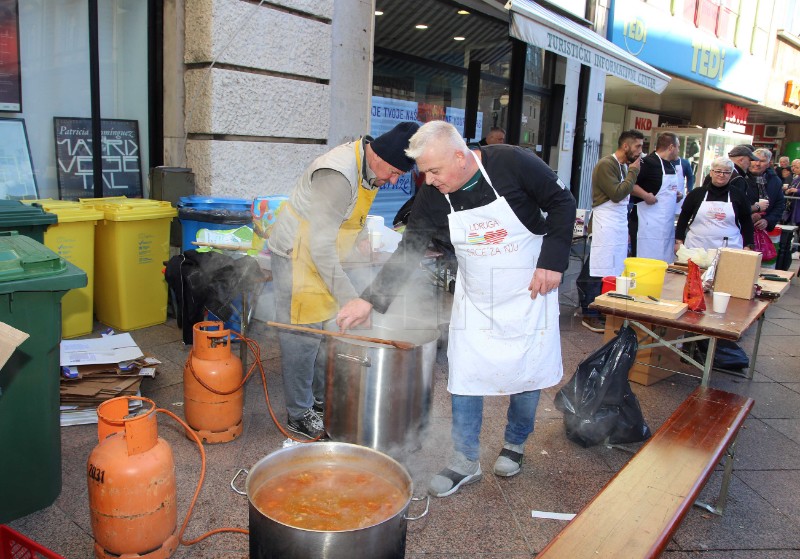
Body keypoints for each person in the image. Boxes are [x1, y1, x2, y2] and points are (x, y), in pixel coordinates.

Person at [336, 120, 576, 497]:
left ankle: (515, 444)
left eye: (434, 171)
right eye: (423, 172)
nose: (429, 180)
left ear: (460, 157)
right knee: (465, 375)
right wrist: (369, 299)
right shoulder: (433, 194)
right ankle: (465, 459)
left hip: (528, 288)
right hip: (477, 295)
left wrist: (553, 261)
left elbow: (563, 203)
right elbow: (410, 247)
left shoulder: (512, 164)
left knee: (526, 371)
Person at [267, 121, 420, 439]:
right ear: (378, 155)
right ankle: (299, 412)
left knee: (329, 332)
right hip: (300, 255)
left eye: (397, 177)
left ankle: (322, 401)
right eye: (392, 173)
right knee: (303, 336)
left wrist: (362, 237)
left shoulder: (371, 168)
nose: (391, 182)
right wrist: (352, 296)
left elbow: (350, 214)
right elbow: (319, 245)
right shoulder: (337, 174)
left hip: (326, 256)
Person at [577, 130, 644, 333]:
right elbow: (616, 194)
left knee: (608, 266)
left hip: (616, 222)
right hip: (605, 221)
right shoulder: (607, 164)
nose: (641, 151)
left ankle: (600, 308)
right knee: (598, 267)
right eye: (638, 146)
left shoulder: (623, 166)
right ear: (626, 146)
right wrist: (634, 172)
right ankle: (590, 313)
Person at [674, 156, 754, 253]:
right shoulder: (696, 193)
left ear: (731, 174)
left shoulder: (738, 195)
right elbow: (683, 218)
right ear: (711, 173)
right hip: (696, 247)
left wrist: (748, 245)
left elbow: (746, 222)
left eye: (726, 172)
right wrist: (679, 241)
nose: (722, 175)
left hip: (729, 248)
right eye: (718, 171)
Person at [628, 132, 683, 262]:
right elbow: (629, 184)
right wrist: (645, 195)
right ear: (671, 147)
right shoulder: (647, 163)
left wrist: (675, 195)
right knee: (645, 263)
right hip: (646, 226)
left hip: (665, 228)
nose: (678, 151)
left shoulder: (670, 165)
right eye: (678, 147)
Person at [745, 148, 785, 232]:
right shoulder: (739, 178)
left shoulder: (775, 181)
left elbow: (779, 205)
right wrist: (747, 215)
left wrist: (767, 220)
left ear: (768, 164)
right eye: (754, 160)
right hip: (740, 228)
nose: (757, 164)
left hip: (763, 229)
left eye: (762, 161)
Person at [784, 158, 800, 225]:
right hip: (792, 206)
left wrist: (797, 190)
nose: (794, 169)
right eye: (793, 166)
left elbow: (796, 189)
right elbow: (792, 187)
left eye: (797, 167)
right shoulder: (796, 178)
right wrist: (787, 190)